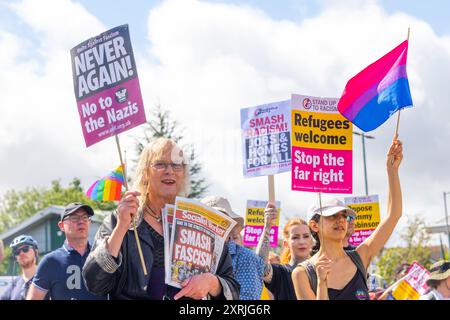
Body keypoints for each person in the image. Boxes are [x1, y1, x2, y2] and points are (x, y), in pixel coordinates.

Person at [83, 138, 239, 300]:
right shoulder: (120, 220)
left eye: (176, 165)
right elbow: (94, 283)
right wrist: (121, 228)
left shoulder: (202, 223)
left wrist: (212, 283)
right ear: (145, 172)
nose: (169, 170)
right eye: (160, 164)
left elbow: (233, 291)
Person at [292, 139, 403, 300]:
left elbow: (394, 215)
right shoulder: (302, 273)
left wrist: (392, 170)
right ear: (314, 225)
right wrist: (321, 283)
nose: (341, 220)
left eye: (344, 215)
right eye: (332, 216)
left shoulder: (360, 256)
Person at [27, 202, 106, 300]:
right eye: (74, 218)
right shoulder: (50, 261)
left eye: (85, 217)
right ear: (61, 226)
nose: (81, 221)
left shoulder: (101, 256)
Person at [201, 195, 265, 300]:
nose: (213, 226)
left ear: (230, 227)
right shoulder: (191, 254)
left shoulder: (246, 258)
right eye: (207, 220)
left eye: (220, 221)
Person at [257, 204, 313, 300]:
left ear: (311, 241)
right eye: (295, 237)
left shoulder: (321, 270)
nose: (302, 241)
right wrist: (267, 226)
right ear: (286, 243)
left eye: (306, 236)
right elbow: (260, 264)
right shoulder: (280, 273)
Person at [0, 235, 39, 300]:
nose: (21, 253)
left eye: (25, 249)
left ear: (36, 252)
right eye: (17, 252)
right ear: (15, 258)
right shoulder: (14, 284)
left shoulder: (46, 279)